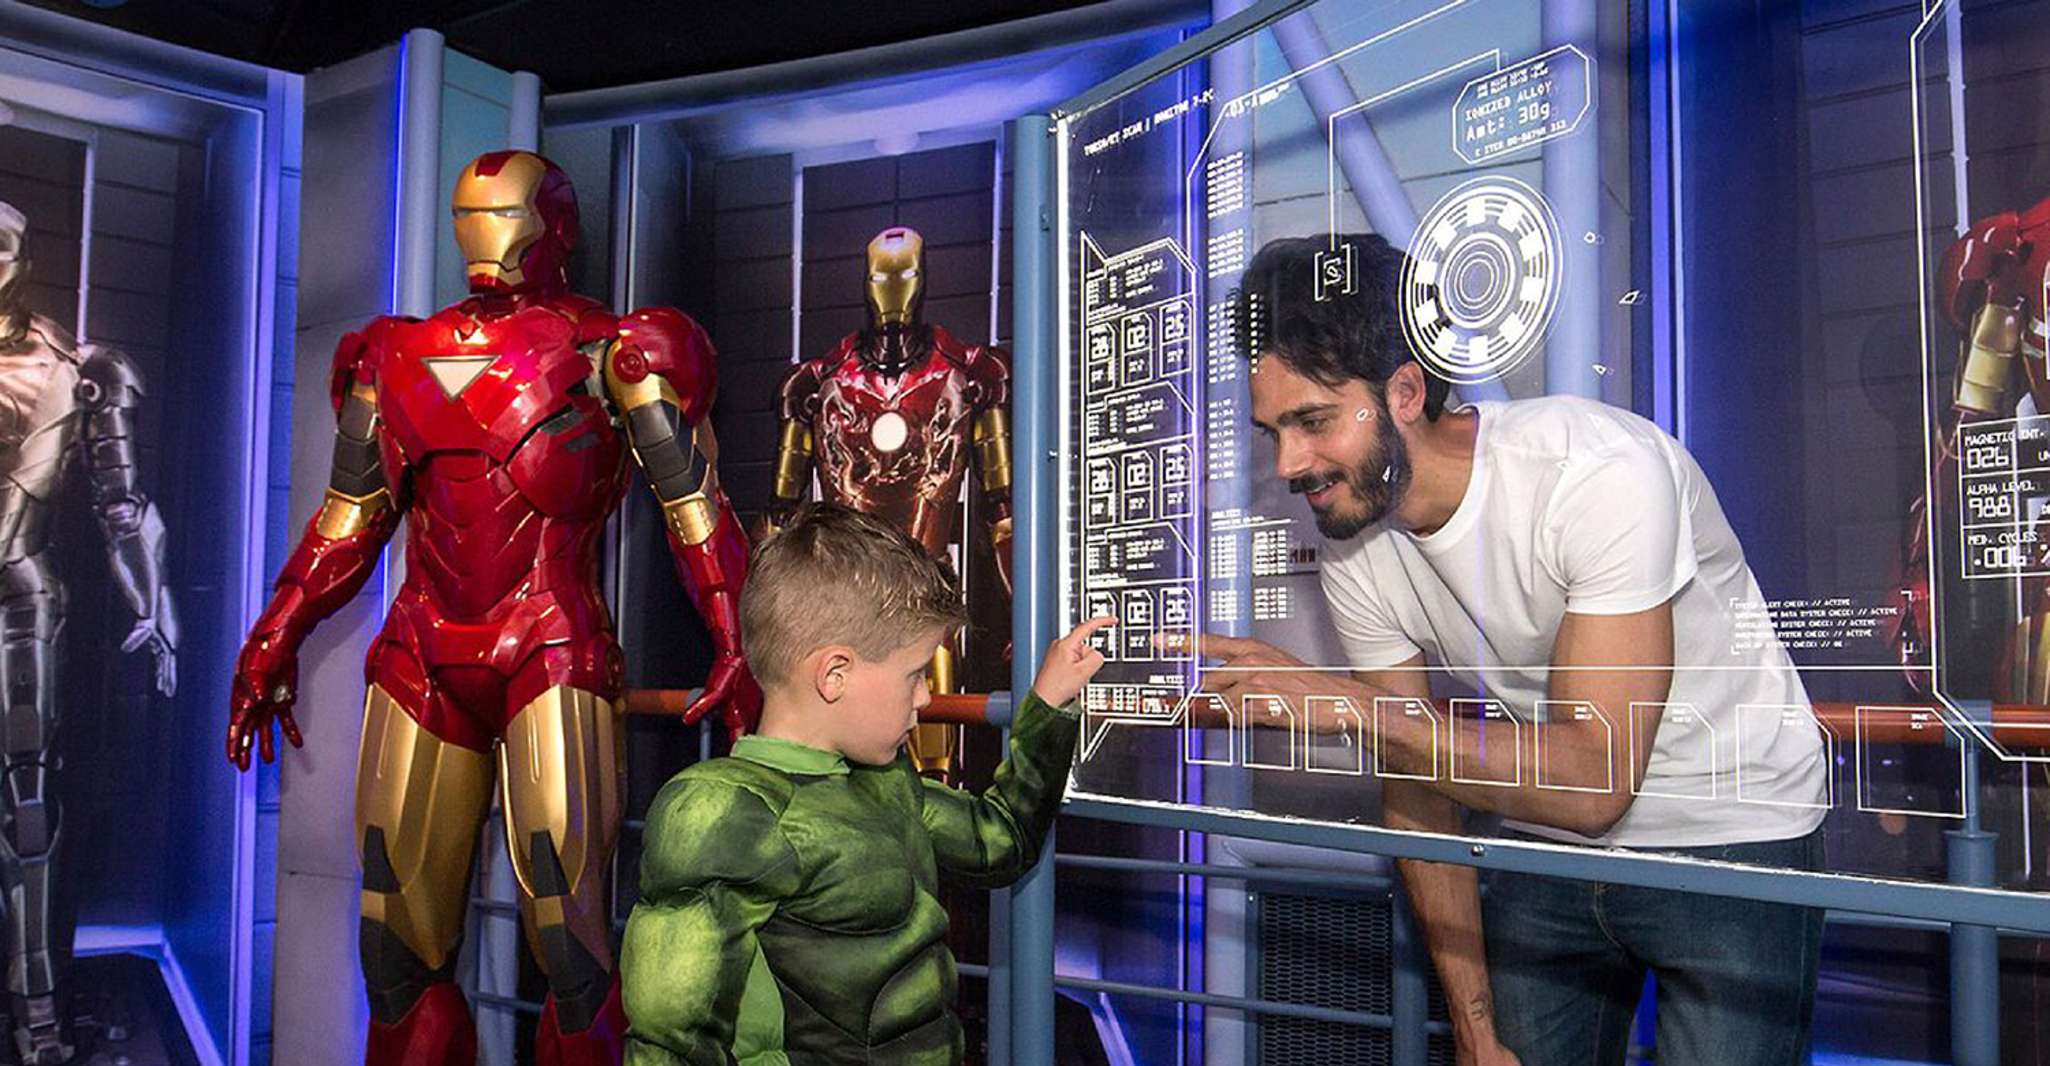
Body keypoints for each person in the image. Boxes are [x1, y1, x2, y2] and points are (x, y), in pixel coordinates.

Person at [1191, 235, 1829, 1065]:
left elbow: (1596, 779)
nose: (1288, 464)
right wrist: (1473, 1029)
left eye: (1313, 422)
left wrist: (1351, 707)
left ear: (1406, 392)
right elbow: (1415, 777)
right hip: (1544, 826)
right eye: (1273, 430)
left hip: (1734, 826)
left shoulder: (1597, 471)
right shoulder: (1356, 538)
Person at [621, 502, 1111, 1065]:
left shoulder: (884, 781)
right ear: (835, 674)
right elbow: (670, 1042)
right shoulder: (721, 812)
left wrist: (1048, 705)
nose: (925, 696)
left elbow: (1000, 840)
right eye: (914, 673)